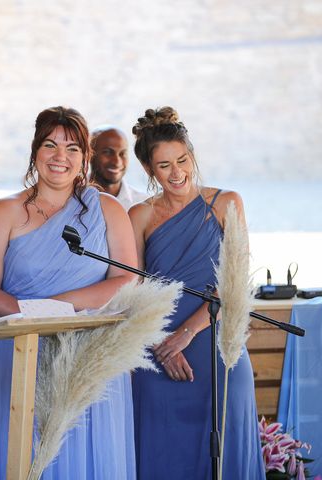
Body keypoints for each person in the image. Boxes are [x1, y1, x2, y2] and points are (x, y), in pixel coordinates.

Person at [0, 106, 138, 479]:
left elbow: (127, 280)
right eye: (50, 145)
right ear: (35, 152)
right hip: (18, 348)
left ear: (85, 158)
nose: (61, 157)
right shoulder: (3, 211)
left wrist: (57, 309)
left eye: (73, 148)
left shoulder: (109, 210)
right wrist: (33, 316)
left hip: (87, 352)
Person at [128, 107, 265, 479]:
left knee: (225, 451)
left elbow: (236, 283)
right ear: (148, 170)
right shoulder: (138, 216)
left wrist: (186, 333)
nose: (177, 173)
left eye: (183, 160)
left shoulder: (227, 203)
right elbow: (132, 291)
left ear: (192, 155)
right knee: (162, 454)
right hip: (158, 353)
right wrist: (161, 344)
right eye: (164, 165)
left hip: (216, 345)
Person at [89, 126, 146, 209]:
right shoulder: (70, 197)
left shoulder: (143, 204)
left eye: (122, 154)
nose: (116, 162)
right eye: (108, 152)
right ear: (89, 154)